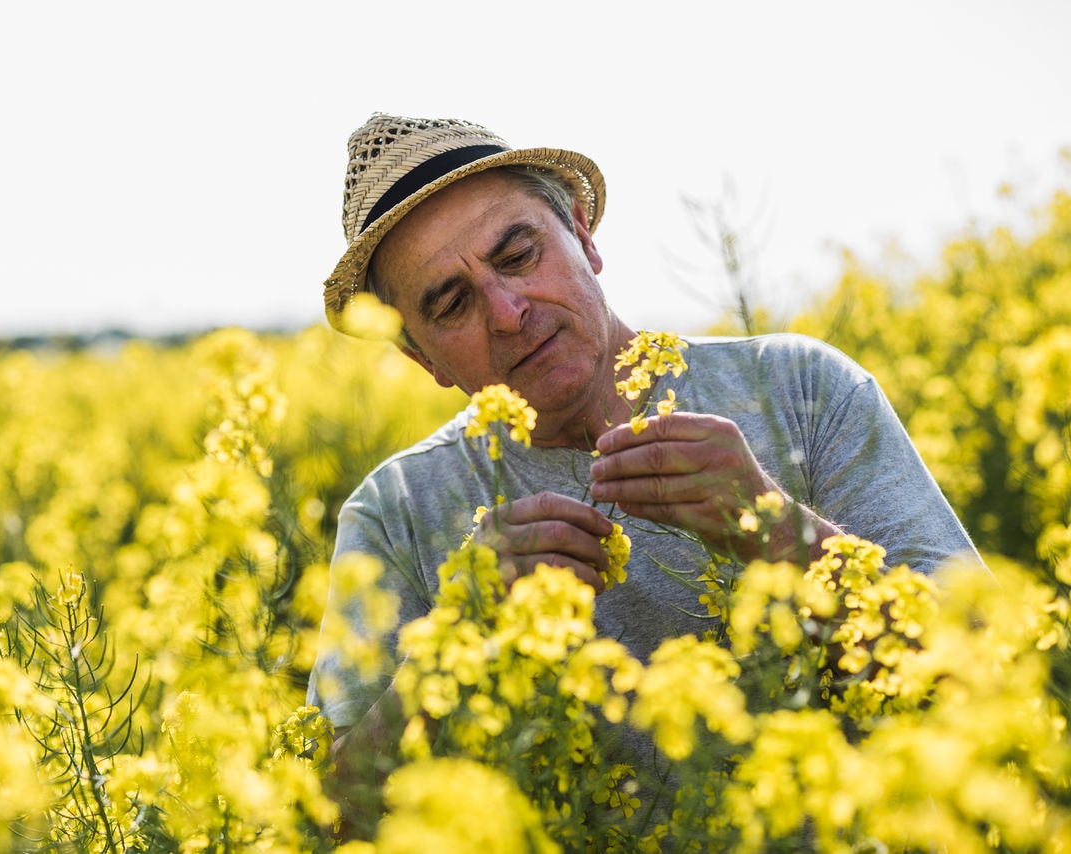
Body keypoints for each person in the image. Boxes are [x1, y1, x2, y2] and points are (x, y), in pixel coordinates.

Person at [306, 113, 982, 833]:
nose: (507, 313)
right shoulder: (397, 511)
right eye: (453, 304)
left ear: (583, 234)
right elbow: (328, 820)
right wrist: (457, 645)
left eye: (517, 256)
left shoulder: (802, 392)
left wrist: (778, 533)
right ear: (423, 360)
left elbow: (985, 675)